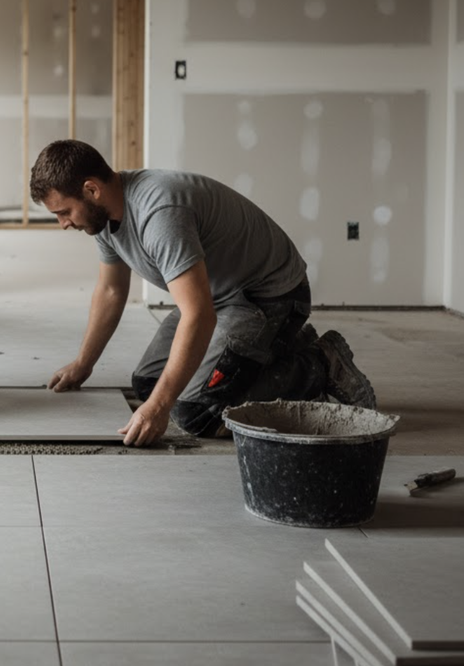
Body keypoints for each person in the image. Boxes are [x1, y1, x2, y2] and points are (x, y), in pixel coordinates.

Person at [29, 139, 376, 447]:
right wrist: (82, 365)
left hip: (268, 298)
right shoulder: (103, 219)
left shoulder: (159, 212)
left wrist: (160, 409)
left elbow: (198, 315)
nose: (64, 223)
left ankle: (317, 365)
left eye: (63, 212)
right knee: (150, 384)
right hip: (217, 296)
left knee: (196, 413)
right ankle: (272, 351)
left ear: (92, 190)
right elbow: (110, 291)